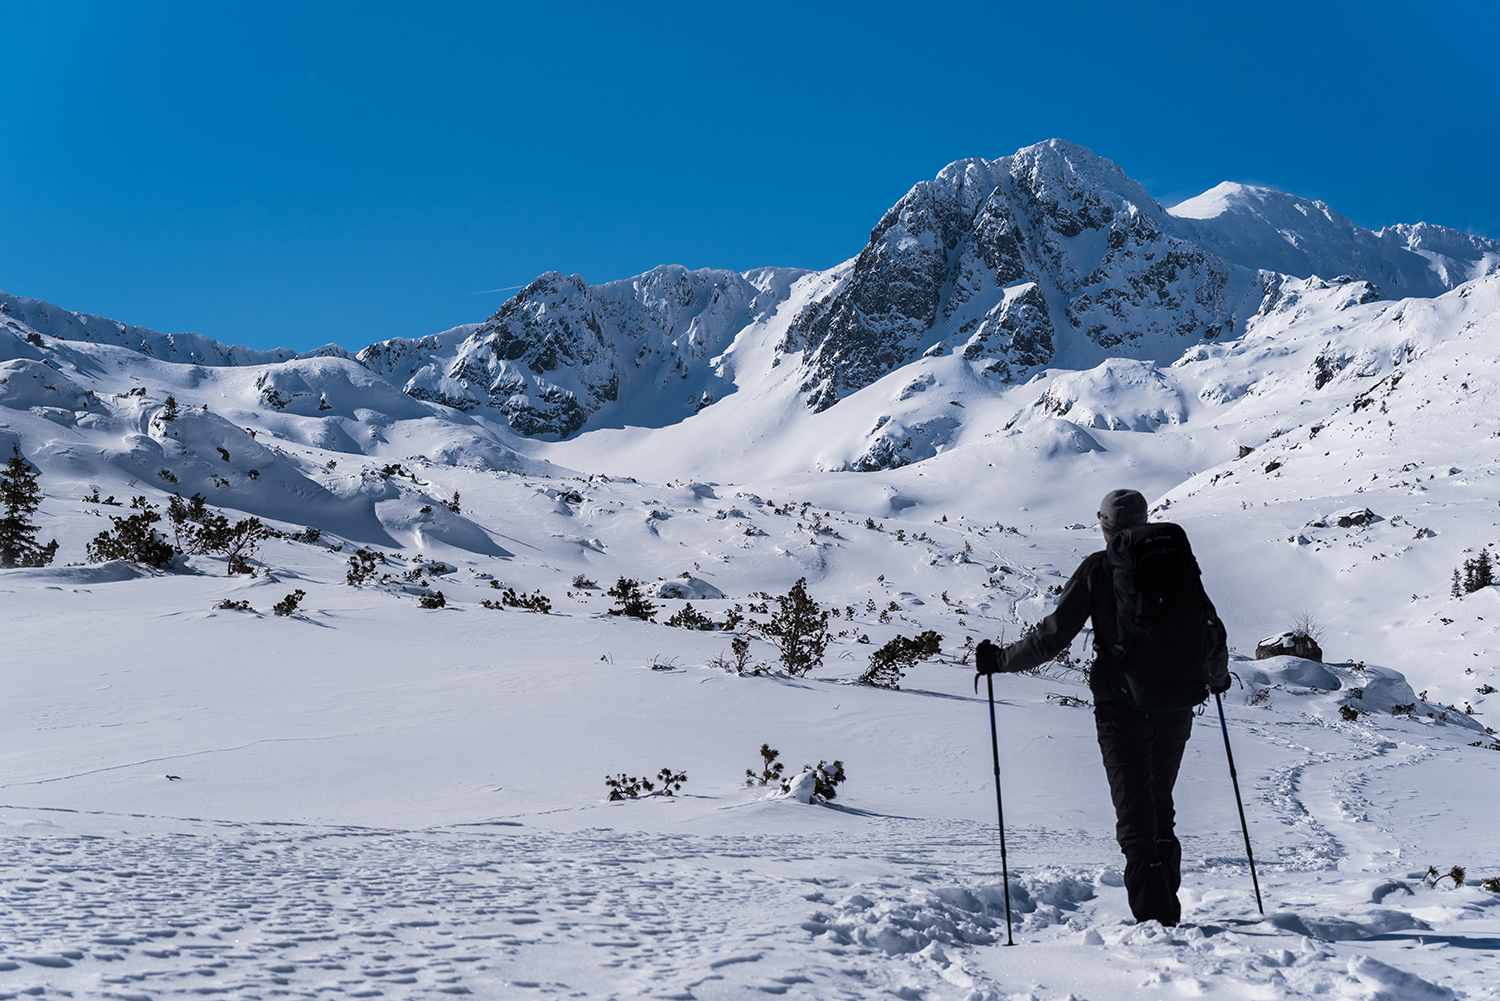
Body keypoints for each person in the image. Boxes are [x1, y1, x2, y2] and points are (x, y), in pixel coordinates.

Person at [975, 488, 1230, 926]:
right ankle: (1166, 911)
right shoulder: (1177, 560)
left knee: (1135, 819)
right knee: (1159, 806)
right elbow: (1209, 626)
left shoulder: (1097, 569)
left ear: (1104, 525)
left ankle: (1157, 926)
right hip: (1177, 707)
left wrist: (998, 661)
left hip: (1121, 708)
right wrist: (1216, 679)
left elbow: (1051, 639)